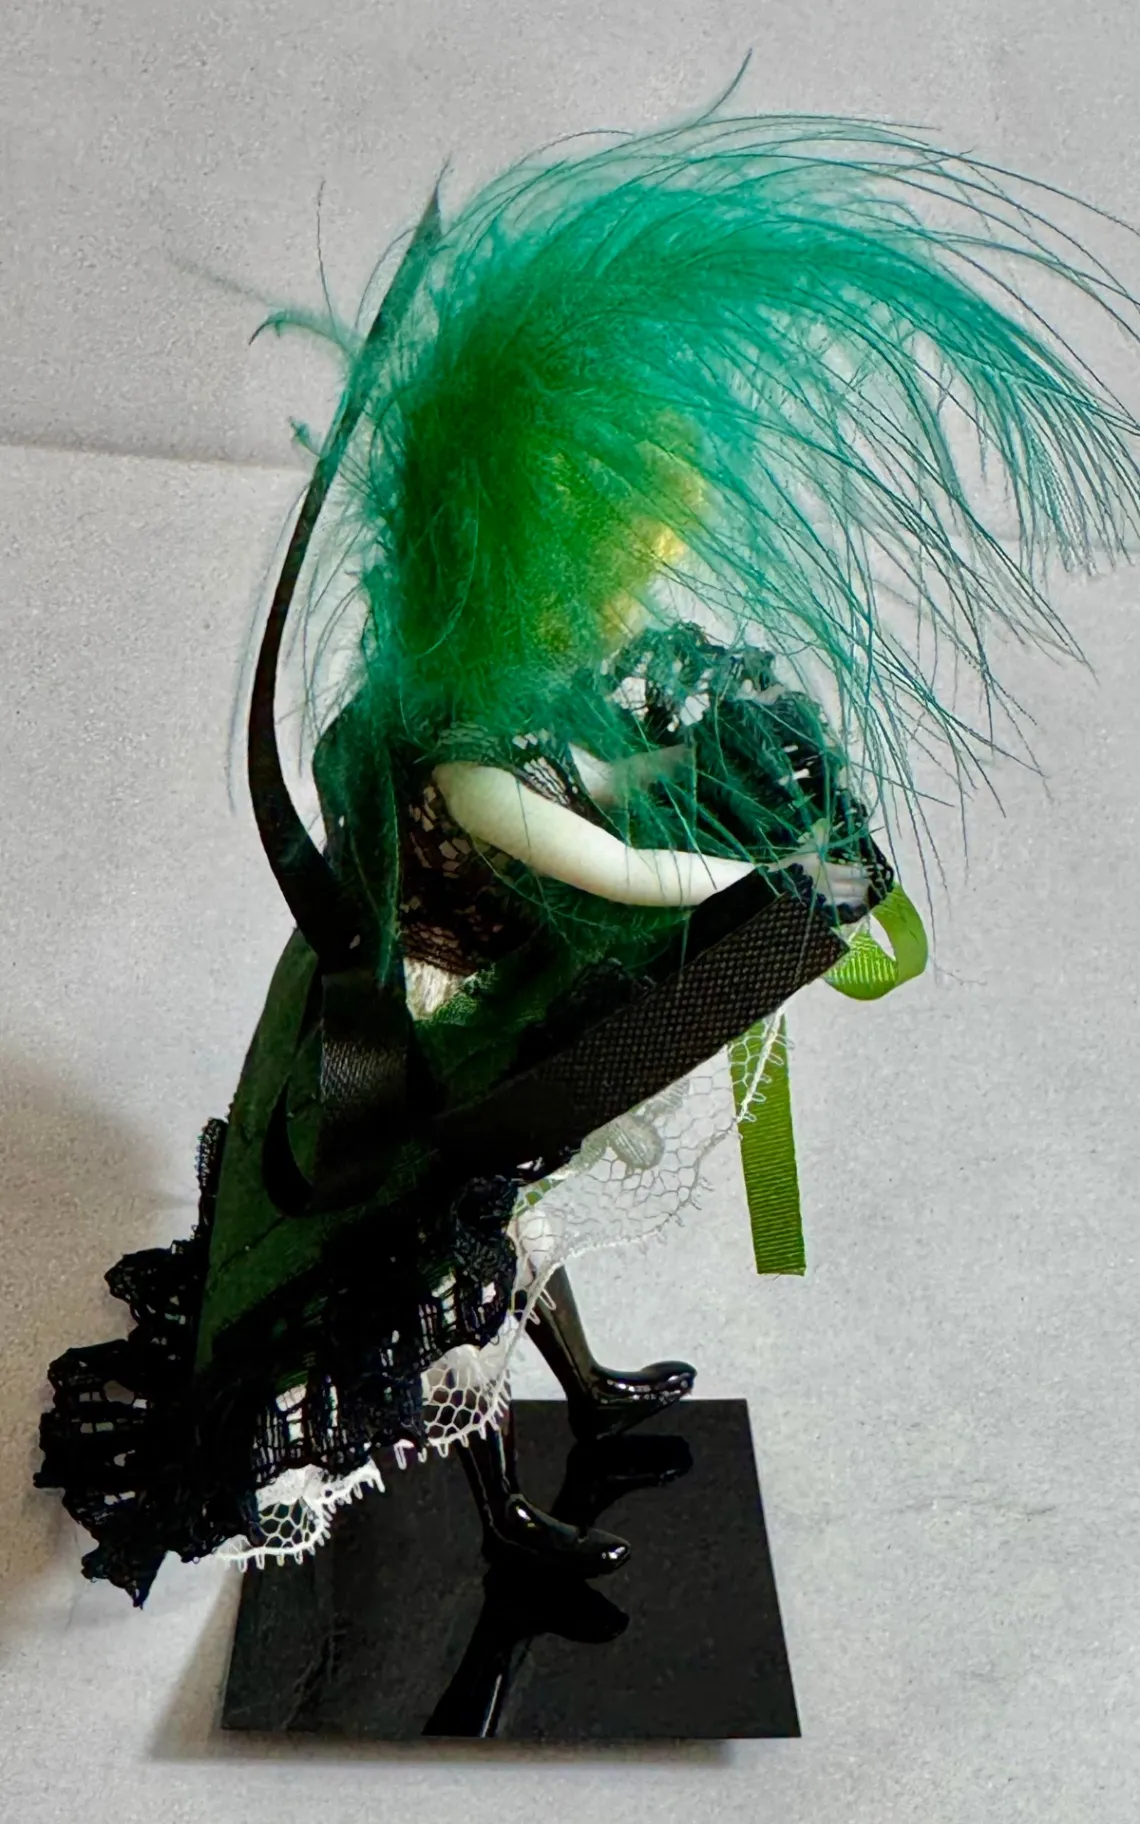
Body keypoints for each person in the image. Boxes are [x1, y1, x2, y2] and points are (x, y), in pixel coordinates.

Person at [37, 106, 1140, 1606]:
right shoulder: (466, 762)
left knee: (532, 1233)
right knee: (453, 1288)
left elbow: (609, 778)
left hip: (492, 998)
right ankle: (500, 1520)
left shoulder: (517, 701)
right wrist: (746, 878)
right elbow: (617, 870)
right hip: (433, 1048)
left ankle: (595, 1387)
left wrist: (685, 773)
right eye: (600, 583)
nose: (613, 615)